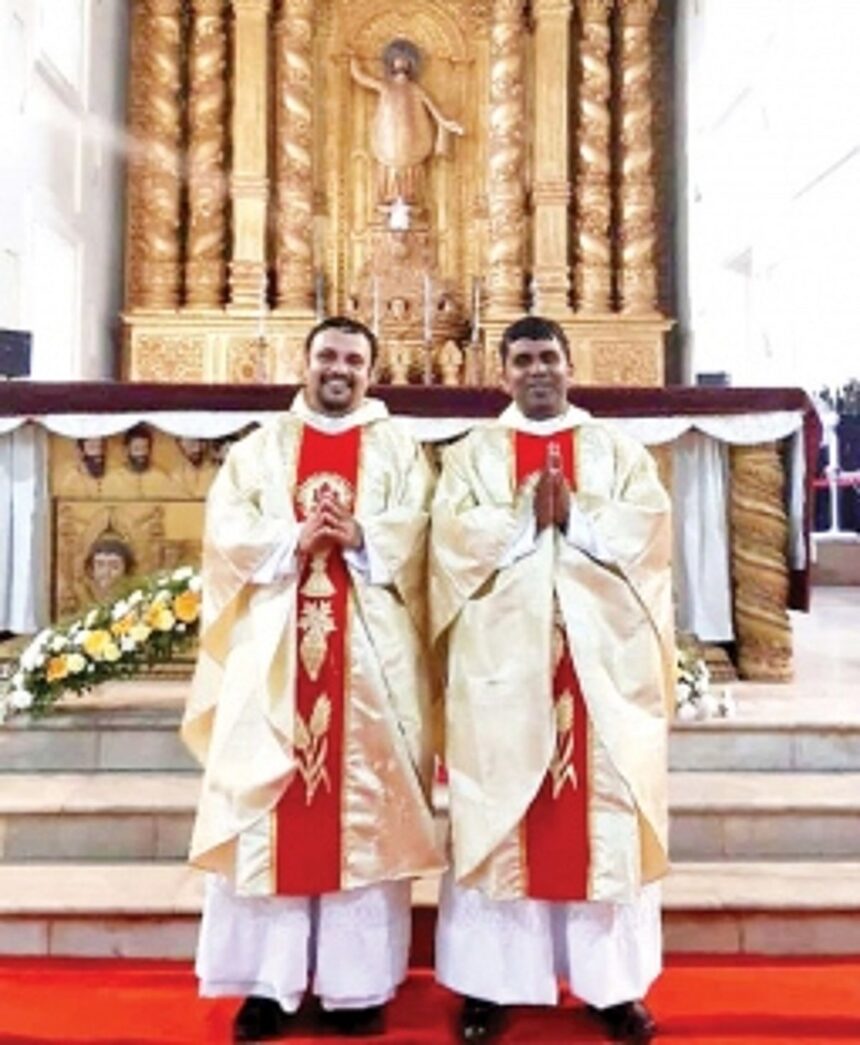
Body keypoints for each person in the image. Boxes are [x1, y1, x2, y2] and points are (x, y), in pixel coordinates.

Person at [182, 316, 444, 1042]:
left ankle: (355, 985)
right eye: (326, 355)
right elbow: (224, 534)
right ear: (304, 362)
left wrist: (363, 535)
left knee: (363, 813)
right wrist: (294, 538)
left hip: (369, 663)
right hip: (274, 658)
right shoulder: (261, 450)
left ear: (372, 370)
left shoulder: (399, 450)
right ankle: (268, 984)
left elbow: (424, 533)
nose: (338, 368)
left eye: (353, 359)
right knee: (270, 803)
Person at [430, 316, 674, 1044]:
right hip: (504, 670)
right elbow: (447, 543)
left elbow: (651, 533)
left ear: (571, 366)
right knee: (503, 817)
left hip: (600, 668)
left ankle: (612, 987)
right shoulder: (474, 454)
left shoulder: (617, 450)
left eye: (549, 357)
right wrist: (518, 519)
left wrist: (581, 517)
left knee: (602, 819)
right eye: (522, 359)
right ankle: (490, 985)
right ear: (501, 373)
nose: (537, 370)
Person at [350, 38, 463, 215]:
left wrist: (447, 124)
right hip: (389, 139)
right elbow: (362, 78)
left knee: (410, 170)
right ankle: (389, 199)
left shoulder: (415, 89)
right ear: (391, 62)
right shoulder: (385, 86)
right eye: (398, 59)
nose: (401, 63)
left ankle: (408, 200)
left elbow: (433, 110)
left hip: (412, 140)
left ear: (411, 64)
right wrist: (353, 61)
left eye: (405, 59)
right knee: (389, 167)